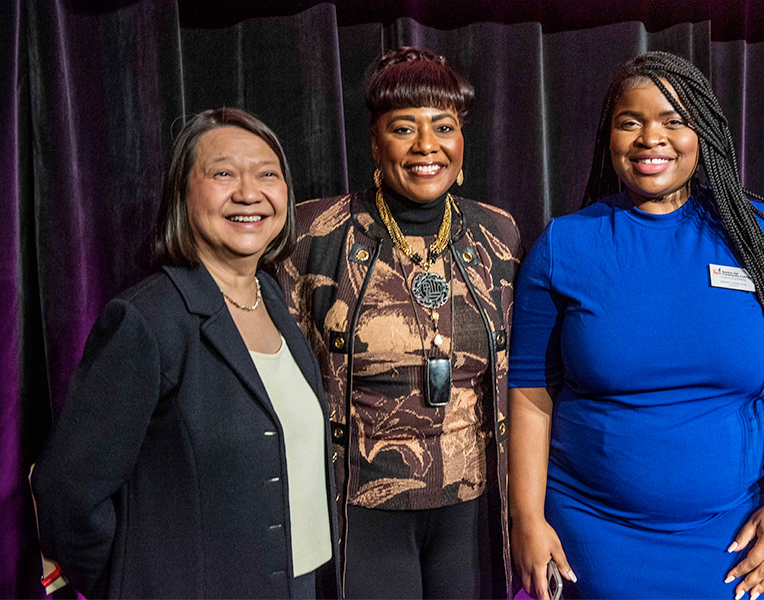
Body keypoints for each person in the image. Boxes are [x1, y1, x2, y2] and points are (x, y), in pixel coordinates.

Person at [508, 51, 764, 600]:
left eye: (673, 121)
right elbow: (529, 393)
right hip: (592, 535)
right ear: (609, 136)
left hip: (736, 539)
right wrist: (526, 519)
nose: (650, 138)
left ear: (703, 133)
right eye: (630, 122)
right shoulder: (565, 245)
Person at [31, 108, 339, 599]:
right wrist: (134, 582)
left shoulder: (271, 297)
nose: (249, 192)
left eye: (267, 175)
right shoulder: (148, 320)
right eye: (223, 174)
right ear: (183, 193)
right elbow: (67, 491)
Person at [278, 47, 522, 599]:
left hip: (473, 507)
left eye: (444, 126)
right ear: (374, 141)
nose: (426, 146)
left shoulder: (498, 237)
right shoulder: (316, 233)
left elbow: (523, 379)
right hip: (361, 503)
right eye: (404, 128)